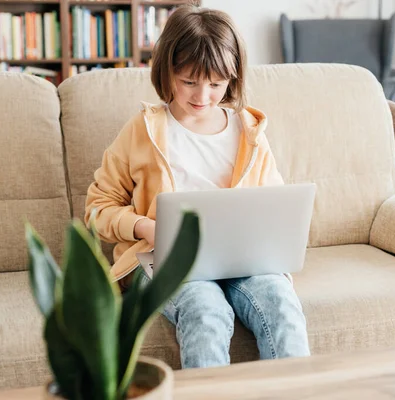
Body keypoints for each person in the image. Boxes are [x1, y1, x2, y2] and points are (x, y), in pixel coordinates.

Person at [84, 5, 310, 368]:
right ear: (167, 71)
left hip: (242, 261)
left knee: (280, 302)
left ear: (232, 78)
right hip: (163, 261)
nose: (202, 96)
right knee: (206, 309)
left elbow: (277, 207)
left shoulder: (250, 133)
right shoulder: (143, 131)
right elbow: (98, 208)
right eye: (189, 81)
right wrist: (144, 226)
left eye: (216, 84)